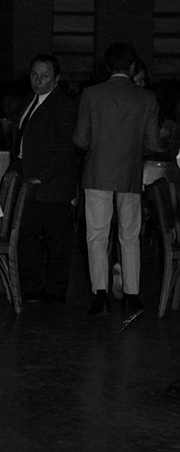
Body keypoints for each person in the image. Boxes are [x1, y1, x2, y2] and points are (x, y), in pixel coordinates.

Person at [73, 42, 160, 321]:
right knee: (130, 235)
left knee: (97, 235)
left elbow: (80, 140)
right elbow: (152, 143)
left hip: (98, 172)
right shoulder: (147, 98)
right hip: (130, 173)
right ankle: (132, 297)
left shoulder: (90, 94)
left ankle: (100, 296)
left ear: (107, 67)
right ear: (133, 66)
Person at [12, 53, 79, 306]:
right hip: (30, 181)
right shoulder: (30, 100)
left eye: (44, 76)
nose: (38, 80)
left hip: (52, 185)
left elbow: (63, 145)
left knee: (56, 240)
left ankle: (55, 291)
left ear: (57, 78)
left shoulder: (63, 104)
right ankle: (33, 287)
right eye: (34, 75)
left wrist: (43, 176)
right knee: (27, 235)